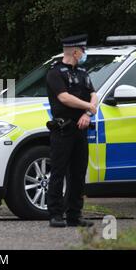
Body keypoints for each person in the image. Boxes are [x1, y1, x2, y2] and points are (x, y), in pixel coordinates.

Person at [45, 34, 98, 227]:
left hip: (81, 128)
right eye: (82, 50)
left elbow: (94, 94)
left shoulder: (83, 72)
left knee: (78, 172)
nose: (84, 53)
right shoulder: (55, 72)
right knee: (58, 172)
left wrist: (88, 113)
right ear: (75, 51)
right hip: (63, 129)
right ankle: (55, 215)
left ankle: (75, 215)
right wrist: (88, 106)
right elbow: (64, 98)